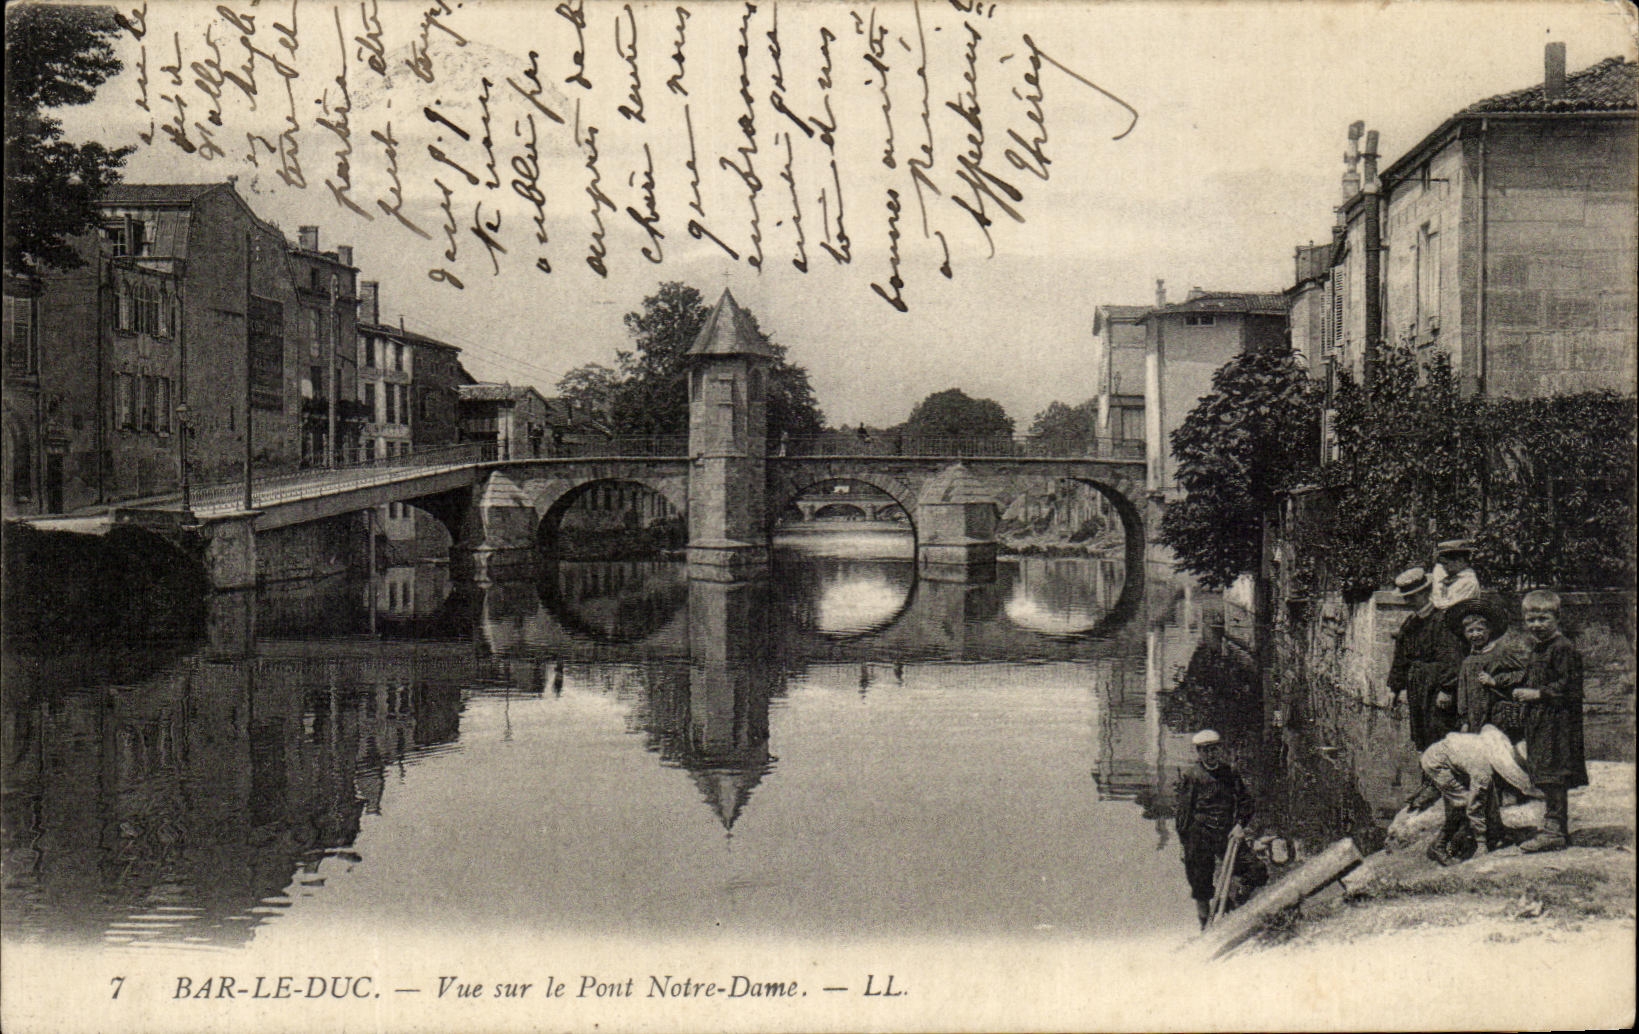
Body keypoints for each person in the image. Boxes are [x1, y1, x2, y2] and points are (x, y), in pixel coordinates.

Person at [1513, 590, 1588, 853]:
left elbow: (1570, 687)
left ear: (1557, 618)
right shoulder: (1539, 647)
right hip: (1542, 721)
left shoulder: (1563, 648)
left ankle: (1554, 831)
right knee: (1545, 773)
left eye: (1543, 619)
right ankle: (1554, 827)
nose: (1536, 625)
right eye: (1531, 620)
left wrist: (1538, 694)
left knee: (1554, 773)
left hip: (1558, 724)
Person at [1174, 729, 1264, 928]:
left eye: (1213, 749)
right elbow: (1183, 814)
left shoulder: (1229, 773)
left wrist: (1240, 825)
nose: (1210, 754)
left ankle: (1237, 904)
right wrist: (1183, 844)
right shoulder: (1192, 776)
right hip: (1199, 836)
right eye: (1205, 751)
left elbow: (1246, 802)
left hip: (1226, 834)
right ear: (1199, 752)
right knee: (1200, 887)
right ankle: (1205, 929)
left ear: (1218, 750)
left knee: (1257, 870)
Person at [1421, 724, 1542, 866]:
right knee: (1462, 803)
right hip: (1437, 763)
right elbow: (1475, 805)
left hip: (1455, 758)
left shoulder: (1494, 753)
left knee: (1487, 792)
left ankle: (1493, 831)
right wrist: (1481, 842)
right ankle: (1439, 846)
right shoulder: (1483, 770)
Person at [1447, 595, 1527, 738]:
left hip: (1497, 717)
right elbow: (1462, 693)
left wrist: (1496, 681)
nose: (1475, 634)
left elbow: (1522, 674)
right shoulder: (1468, 662)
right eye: (1470, 631)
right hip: (1474, 721)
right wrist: (1464, 721)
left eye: (1480, 630)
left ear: (1489, 630)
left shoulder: (1500, 654)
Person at [1430, 539, 1481, 611]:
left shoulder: (1469, 582)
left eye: (1446, 563)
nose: (1444, 567)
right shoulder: (1453, 578)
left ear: (1460, 561)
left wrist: (1432, 600)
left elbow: (1449, 606)